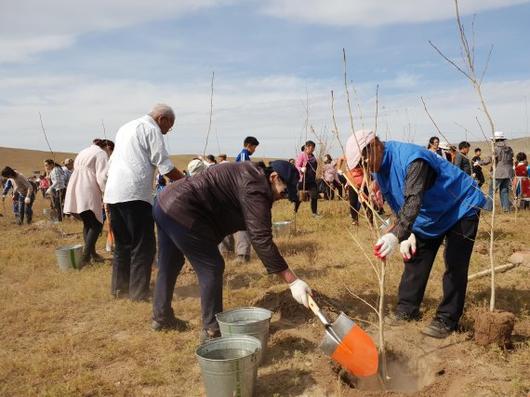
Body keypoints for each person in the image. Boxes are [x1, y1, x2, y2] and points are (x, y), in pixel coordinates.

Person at [346, 130, 487, 339]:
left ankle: (447, 318)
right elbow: (397, 202)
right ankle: (406, 309)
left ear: (375, 144)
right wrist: (405, 233)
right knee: (416, 259)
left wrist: (397, 234)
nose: (366, 169)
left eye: (365, 162)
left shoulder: (412, 159)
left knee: (455, 263)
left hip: (460, 206)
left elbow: (413, 200)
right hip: (428, 215)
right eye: (361, 166)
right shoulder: (378, 168)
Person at [151, 160, 311, 338]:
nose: (282, 197)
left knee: (170, 263)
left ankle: (161, 316)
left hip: (164, 203)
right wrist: (292, 281)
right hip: (183, 208)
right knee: (212, 266)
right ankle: (212, 330)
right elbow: (260, 238)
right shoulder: (255, 186)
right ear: (273, 177)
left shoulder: (251, 175)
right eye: (284, 191)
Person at [104, 104, 184, 301]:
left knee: (123, 244)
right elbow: (164, 164)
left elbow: (111, 163)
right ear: (162, 119)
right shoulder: (151, 129)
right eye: (169, 127)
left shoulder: (125, 128)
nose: (167, 132)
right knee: (143, 246)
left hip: (114, 193)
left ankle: (119, 289)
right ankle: (138, 293)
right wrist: (187, 182)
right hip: (134, 194)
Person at [63, 139, 114, 265]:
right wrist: (106, 194)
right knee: (96, 225)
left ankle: (92, 254)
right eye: (110, 151)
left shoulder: (83, 151)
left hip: (77, 186)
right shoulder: (101, 154)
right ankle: (86, 257)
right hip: (88, 187)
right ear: (107, 147)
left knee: (88, 223)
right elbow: (102, 176)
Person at [233, 136, 260, 263]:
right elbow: (244, 172)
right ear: (249, 145)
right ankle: (242, 254)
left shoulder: (244, 155)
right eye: (254, 147)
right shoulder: (244, 155)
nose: (254, 150)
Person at [480, 131, 514, 212]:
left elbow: (489, 159)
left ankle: (488, 209)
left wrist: (479, 162)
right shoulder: (509, 149)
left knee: (492, 191)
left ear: (496, 140)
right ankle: (506, 209)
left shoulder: (496, 148)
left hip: (499, 173)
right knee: (504, 190)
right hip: (509, 173)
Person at [295, 140, 320, 218]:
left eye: (313, 148)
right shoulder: (302, 155)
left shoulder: (313, 156)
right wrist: (301, 169)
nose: (313, 149)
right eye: (312, 148)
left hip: (311, 179)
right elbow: (296, 166)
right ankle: (295, 210)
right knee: (300, 197)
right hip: (303, 180)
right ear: (307, 147)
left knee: (314, 195)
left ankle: (314, 213)